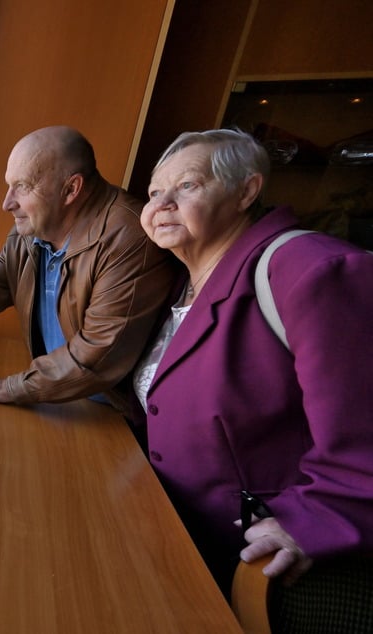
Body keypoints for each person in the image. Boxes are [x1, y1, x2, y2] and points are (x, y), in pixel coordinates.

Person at [132, 128, 373, 599]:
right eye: (155, 192)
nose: (162, 204)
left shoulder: (310, 269)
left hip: (253, 564)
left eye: (187, 186)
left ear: (247, 191)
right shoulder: (183, 282)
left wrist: (318, 520)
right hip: (175, 535)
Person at [0, 125, 177, 410]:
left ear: (71, 189)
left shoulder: (129, 238)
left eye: (23, 187)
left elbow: (97, 357)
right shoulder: (30, 233)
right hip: (54, 393)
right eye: (8, 185)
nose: (6, 203)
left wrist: (4, 388)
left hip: (111, 411)